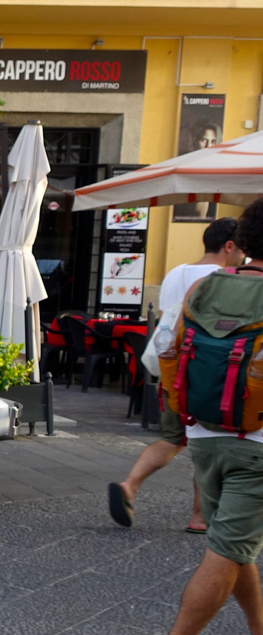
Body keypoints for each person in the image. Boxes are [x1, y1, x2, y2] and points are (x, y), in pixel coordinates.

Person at [150, 200, 263, 635]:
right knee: (227, 546)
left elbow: (164, 353)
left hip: (202, 436)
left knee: (235, 542)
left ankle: (260, 632)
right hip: (257, 445)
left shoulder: (203, 285)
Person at [109, 217, 244, 533]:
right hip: (207, 373)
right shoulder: (224, 280)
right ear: (229, 246)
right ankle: (199, 516)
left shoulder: (176, 273)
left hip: (171, 372)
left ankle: (130, 484)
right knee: (208, 441)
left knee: (172, 438)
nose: (244, 258)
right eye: (242, 250)